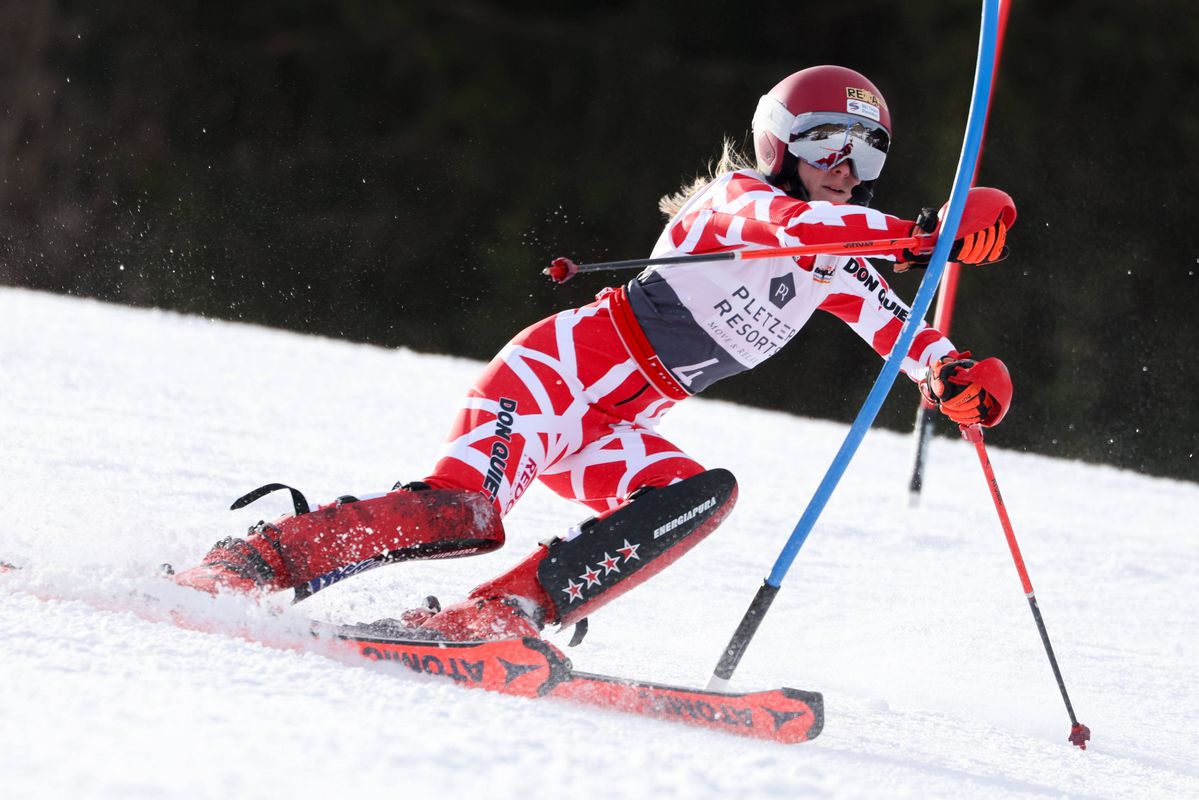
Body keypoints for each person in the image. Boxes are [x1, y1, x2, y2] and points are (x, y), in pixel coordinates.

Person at [173, 65, 1014, 642]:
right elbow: (790, 229)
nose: (847, 166)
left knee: (696, 494)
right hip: (552, 380)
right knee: (465, 515)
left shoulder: (842, 260)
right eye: (829, 142)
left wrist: (951, 376)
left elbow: (900, 331)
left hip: (614, 423)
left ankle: (496, 618)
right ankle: (255, 559)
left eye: (868, 152)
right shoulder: (741, 203)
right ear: (778, 145)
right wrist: (921, 233)